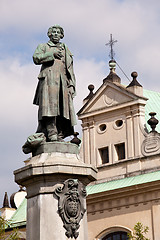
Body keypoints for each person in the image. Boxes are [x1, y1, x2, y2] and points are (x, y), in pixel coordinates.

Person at [33, 25, 77, 142]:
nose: (56, 34)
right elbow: (36, 58)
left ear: (62, 35)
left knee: (63, 110)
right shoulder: (43, 46)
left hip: (63, 82)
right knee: (50, 109)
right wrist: (51, 55)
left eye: (59, 32)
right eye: (54, 32)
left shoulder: (65, 48)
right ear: (50, 34)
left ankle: (60, 134)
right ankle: (52, 133)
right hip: (49, 80)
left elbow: (70, 68)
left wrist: (72, 84)